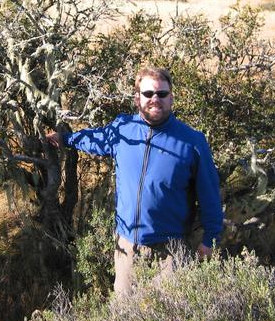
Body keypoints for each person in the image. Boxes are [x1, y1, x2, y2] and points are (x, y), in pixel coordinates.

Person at [46, 66, 223, 295]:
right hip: (127, 247)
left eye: (162, 94)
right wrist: (65, 139)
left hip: (170, 252)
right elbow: (97, 139)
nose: (155, 100)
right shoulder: (123, 130)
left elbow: (210, 197)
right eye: (148, 94)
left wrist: (210, 239)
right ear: (137, 98)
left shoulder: (193, 142)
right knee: (124, 318)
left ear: (171, 98)